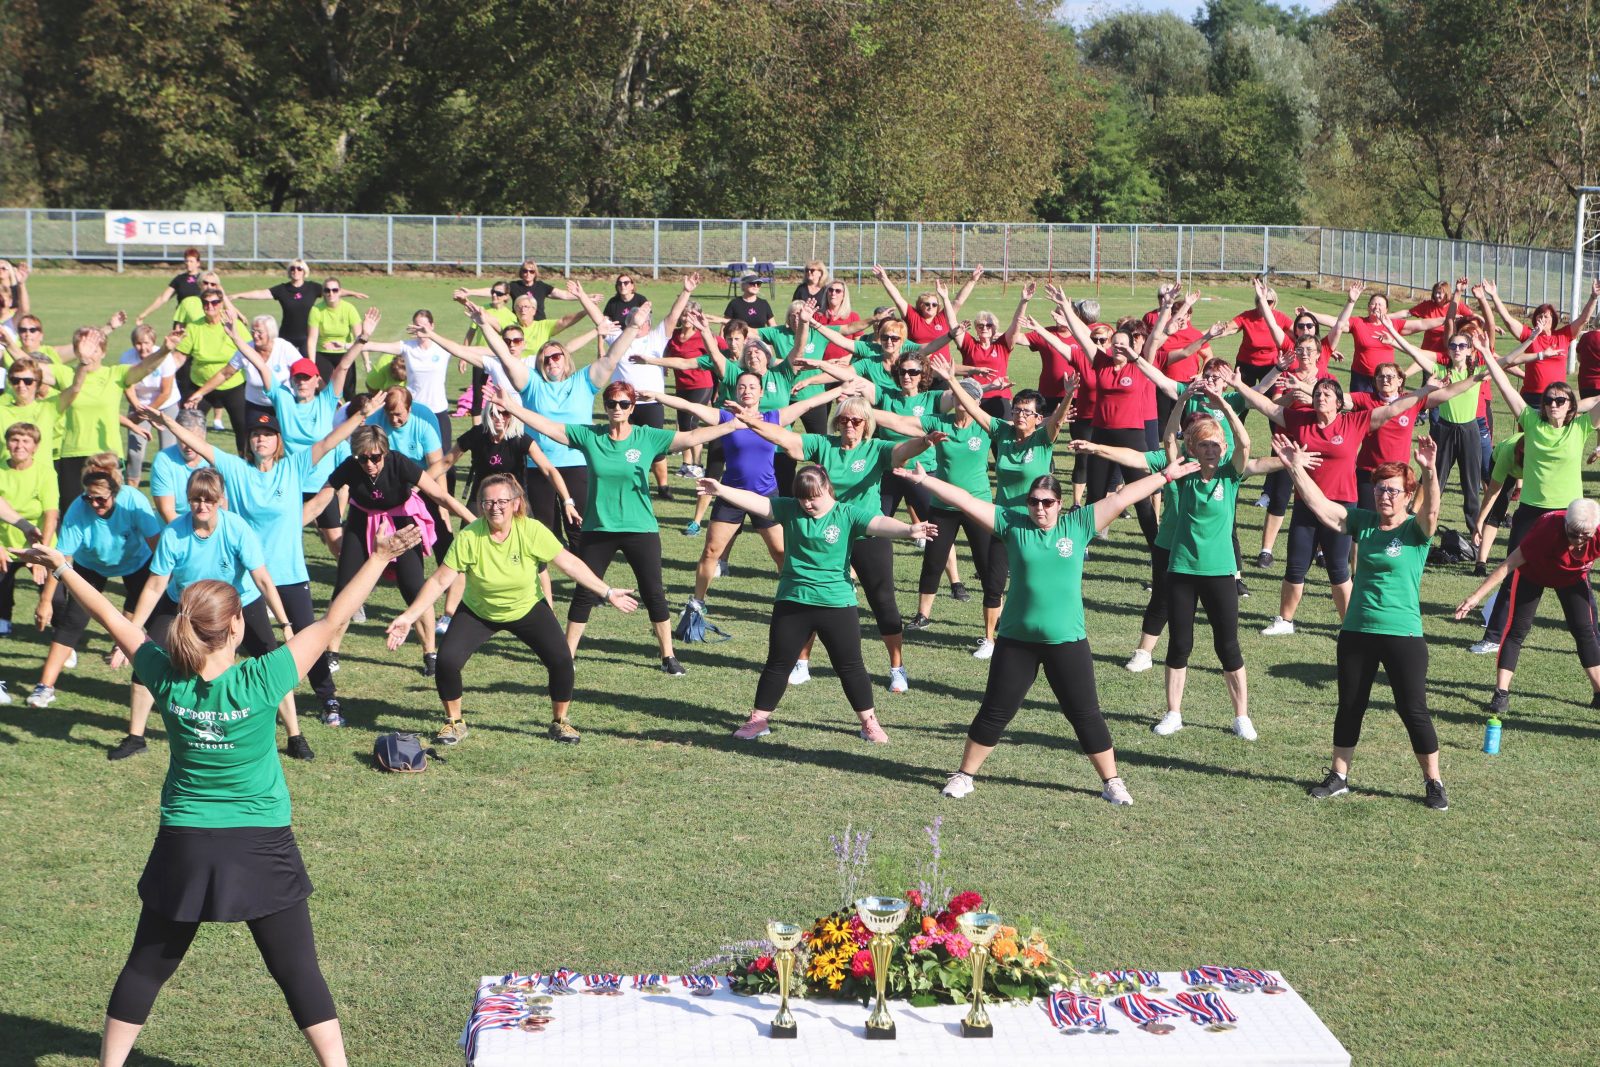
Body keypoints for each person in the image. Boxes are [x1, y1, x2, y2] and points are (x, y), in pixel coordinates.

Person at [21, 525, 421, 1067]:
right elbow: (332, 621)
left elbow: (113, 617)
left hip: (185, 842)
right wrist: (378, 557)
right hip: (261, 843)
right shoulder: (264, 677)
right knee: (297, 971)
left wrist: (64, 568)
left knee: (146, 967)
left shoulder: (165, 676)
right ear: (236, 627)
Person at [905, 459, 1188, 804]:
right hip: (1016, 642)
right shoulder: (1012, 524)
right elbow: (965, 500)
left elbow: (1122, 497)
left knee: (1085, 715)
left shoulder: (1079, 524)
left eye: (1047, 502)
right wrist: (926, 481)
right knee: (995, 711)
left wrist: (1166, 475)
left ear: (1060, 503)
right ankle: (964, 776)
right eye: (1034, 501)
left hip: (1066, 642)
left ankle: (1112, 781)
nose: (1040, 508)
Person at [142, 392, 375, 726]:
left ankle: (328, 698)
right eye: (255, 434)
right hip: (247, 579)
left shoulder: (293, 467)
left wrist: (360, 416)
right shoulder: (236, 470)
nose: (261, 438)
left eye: (267, 434)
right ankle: (218, 703)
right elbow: (199, 445)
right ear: (249, 442)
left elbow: (328, 442)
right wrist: (166, 421)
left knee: (307, 636)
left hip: (288, 574)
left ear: (278, 441)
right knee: (236, 645)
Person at [500, 380, 737, 674]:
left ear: (632, 408)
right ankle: (566, 656)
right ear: (605, 406)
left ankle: (668, 656)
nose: (617, 408)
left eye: (624, 404)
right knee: (585, 593)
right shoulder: (591, 436)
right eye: (612, 403)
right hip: (598, 529)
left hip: (641, 528)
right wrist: (511, 407)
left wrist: (730, 426)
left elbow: (691, 437)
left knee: (653, 593)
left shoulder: (646, 437)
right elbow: (549, 427)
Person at [386, 474, 639, 746]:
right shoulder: (469, 536)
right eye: (488, 502)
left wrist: (607, 591)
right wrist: (408, 617)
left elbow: (569, 564)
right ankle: (454, 723)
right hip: (479, 610)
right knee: (447, 661)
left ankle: (560, 721)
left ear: (516, 503)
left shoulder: (531, 530)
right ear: (481, 505)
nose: (495, 507)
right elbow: (439, 581)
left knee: (562, 660)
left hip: (527, 607)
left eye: (502, 501)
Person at [1276, 435, 1448, 811]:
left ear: (1408, 495)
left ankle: (1433, 782)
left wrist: (1430, 471)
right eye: (1379, 488)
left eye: (1392, 490)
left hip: (1403, 633)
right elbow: (1322, 507)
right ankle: (1339, 776)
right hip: (1356, 630)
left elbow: (1433, 511)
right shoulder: (1364, 523)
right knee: (1350, 705)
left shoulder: (1415, 531)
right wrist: (1294, 468)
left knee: (1413, 710)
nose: (1384, 495)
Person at [704, 465, 935, 743]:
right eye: (802, 498)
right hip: (793, 600)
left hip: (836, 603)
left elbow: (879, 523)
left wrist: (909, 529)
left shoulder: (846, 513)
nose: (807, 504)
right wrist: (721, 490)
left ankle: (869, 723)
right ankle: (758, 720)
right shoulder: (791, 510)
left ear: (827, 489)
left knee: (850, 666)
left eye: (813, 497)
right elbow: (757, 502)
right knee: (778, 664)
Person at [734, 393, 940, 692]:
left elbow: (902, 451)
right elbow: (786, 439)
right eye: (843, 420)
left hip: (867, 533)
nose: (849, 425)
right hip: (826, 536)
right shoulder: (823, 445)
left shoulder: (876, 448)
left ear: (866, 423)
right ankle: (802, 663)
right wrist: (751, 421)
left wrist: (924, 442)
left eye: (856, 420)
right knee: (808, 595)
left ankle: (897, 667)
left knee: (883, 600)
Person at [121, 468, 313, 759]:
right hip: (185, 604)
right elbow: (155, 585)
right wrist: (132, 630)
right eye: (196, 499)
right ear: (188, 499)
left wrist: (285, 623)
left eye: (209, 499)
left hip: (238, 601)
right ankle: (136, 737)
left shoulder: (236, 529)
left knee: (272, 662)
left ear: (221, 500)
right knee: (144, 662)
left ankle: (295, 736)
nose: (202, 506)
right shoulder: (174, 533)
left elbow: (262, 579)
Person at [1230, 368, 1420, 636]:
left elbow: (1392, 409)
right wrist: (1239, 385)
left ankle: (1350, 625)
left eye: (1327, 394)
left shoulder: (1353, 422)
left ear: (1339, 403)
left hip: (1341, 508)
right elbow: (1268, 407)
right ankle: (1285, 621)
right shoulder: (1301, 420)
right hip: (1306, 504)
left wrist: (1424, 391)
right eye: (1317, 393)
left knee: (1338, 569)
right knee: (1295, 566)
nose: (1320, 397)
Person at [436, 281, 620, 546]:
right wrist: (435, 335)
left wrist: (595, 329)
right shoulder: (497, 361)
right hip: (505, 432)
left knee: (566, 520)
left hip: (525, 435)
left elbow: (566, 347)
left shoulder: (531, 367)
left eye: (517, 340)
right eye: (508, 340)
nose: (512, 344)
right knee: (531, 513)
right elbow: (466, 350)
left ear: (524, 344)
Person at [651, 371, 851, 612]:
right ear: (736, 391)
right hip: (730, 494)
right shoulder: (726, 417)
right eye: (742, 387)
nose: (747, 391)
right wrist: (656, 395)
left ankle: (790, 601)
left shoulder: (773, 418)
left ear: (761, 392)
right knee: (711, 551)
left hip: (765, 496)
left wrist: (841, 390)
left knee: (781, 553)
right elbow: (689, 406)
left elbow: (808, 403)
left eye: (752, 387)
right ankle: (697, 602)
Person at [302, 423, 476, 674]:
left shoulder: (399, 462)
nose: (369, 464)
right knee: (344, 588)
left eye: (375, 457)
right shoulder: (350, 467)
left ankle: (430, 653)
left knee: (414, 588)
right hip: (362, 522)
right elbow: (319, 502)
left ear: (384, 452)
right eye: (363, 458)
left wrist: (475, 523)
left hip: (401, 522)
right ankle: (332, 653)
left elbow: (440, 496)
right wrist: (287, 530)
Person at [1472, 340, 1600, 654]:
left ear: (1570, 406)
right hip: (1531, 512)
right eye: (1548, 400)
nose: (1553, 404)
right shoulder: (1531, 422)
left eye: (1560, 400)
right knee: (1513, 572)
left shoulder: (1581, 427)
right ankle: (1493, 636)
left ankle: (1594, 638)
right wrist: (1486, 354)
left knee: (1579, 576)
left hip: (1569, 515)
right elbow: (1505, 387)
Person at [26, 463, 162, 748]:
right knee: (72, 621)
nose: (95, 504)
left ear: (115, 493)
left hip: (136, 562)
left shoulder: (133, 502)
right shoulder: (79, 509)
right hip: (91, 565)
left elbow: (158, 546)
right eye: (90, 498)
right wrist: (46, 600)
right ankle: (44, 687)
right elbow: (60, 559)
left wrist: (167, 582)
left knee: (155, 622)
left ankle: (160, 678)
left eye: (101, 499)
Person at [429, 394, 570, 625]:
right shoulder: (477, 435)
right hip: (481, 501)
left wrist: (567, 500)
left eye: (505, 413)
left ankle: (549, 614)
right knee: (463, 558)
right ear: (487, 414)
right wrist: (417, 485)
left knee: (539, 562)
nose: (499, 418)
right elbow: (446, 462)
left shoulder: (520, 439)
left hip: (515, 503)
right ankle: (448, 616)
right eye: (494, 413)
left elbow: (548, 469)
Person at [1456, 499, 1600, 716]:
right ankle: (1501, 694)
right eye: (1573, 533)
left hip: (1572, 578)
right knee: (1516, 631)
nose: (1579, 540)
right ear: (1566, 524)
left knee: (1585, 631)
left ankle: (1599, 693)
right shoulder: (1547, 530)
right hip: (1533, 573)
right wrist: (1476, 596)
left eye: (1585, 535)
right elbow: (1508, 565)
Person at [1482, 278, 1600, 407]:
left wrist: (1593, 297)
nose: (1542, 318)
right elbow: (1508, 320)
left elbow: (1583, 319)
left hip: (1558, 397)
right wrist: (1494, 295)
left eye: (1546, 316)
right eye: (1539, 316)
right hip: (1532, 397)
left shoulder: (1563, 335)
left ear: (1553, 320)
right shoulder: (1529, 335)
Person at [185, 313, 302, 426]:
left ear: (271, 333)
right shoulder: (246, 349)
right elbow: (225, 373)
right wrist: (200, 393)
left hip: (283, 405)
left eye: (259, 332)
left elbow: (302, 369)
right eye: (253, 331)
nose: (255, 335)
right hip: (255, 406)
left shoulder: (284, 347)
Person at [230, 260, 367, 356]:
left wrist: (353, 293)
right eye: (292, 268)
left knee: (306, 370)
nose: (296, 271)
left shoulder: (312, 287)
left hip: (307, 337)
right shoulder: (282, 289)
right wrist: (238, 295)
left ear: (304, 271)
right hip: (286, 336)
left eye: (299, 268)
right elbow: (261, 293)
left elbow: (333, 291)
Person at [173, 288, 252, 450]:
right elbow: (179, 357)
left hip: (233, 385)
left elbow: (250, 350)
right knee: (188, 427)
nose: (210, 306)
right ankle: (190, 461)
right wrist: (162, 371)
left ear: (221, 304)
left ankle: (246, 461)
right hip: (201, 386)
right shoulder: (194, 327)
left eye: (215, 302)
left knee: (243, 428)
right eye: (206, 303)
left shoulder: (233, 325)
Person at [0, 421, 59, 636]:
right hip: (5, 543)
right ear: (7, 443)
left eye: (26, 441)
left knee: (58, 594)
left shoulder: (45, 473)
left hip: (40, 543)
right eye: (14, 440)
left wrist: (42, 552)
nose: (19, 446)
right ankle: (3, 620)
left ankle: (60, 629)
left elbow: (51, 515)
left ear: (36, 446)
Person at [871, 262, 982, 361]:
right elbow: (898, 298)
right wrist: (884, 279)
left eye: (934, 304)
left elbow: (958, 301)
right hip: (917, 367)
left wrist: (972, 280)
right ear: (920, 305)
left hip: (941, 369)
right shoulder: (912, 316)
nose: (931, 307)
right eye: (927, 304)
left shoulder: (944, 317)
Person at [120, 325, 179, 486]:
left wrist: (147, 412)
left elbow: (165, 392)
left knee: (167, 450)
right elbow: (128, 386)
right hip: (139, 405)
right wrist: (137, 407)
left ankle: (167, 487)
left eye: (146, 343)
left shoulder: (165, 357)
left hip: (165, 404)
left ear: (153, 342)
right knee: (135, 451)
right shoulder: (127, 358)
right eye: (138, 343)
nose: (142, 347)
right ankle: (132, 487)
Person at [149, 409, 214, 522]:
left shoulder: (215, 459)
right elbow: (167, 512)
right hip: (175, 528)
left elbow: (223, 506)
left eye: (192, 439)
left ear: (204, 435)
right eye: (183, 439)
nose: (188, 446)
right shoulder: (163, 459)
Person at [304, 279, 364, 402]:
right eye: (327, 290)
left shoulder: (349, 309)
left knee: (349, 391)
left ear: (340, 292)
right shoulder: (316, 310)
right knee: (322, 388)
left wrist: (366, 359)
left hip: (345, 353)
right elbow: (312, 339)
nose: (331, 293)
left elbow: (361, 338)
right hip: (323, 353)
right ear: (323, 292)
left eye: (334, 290)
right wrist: (312, 364)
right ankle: (325, 411)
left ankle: (352, 413)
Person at [458, 259, 573, 320]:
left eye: (531, 271)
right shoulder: (514, 286)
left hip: (538, 324)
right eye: (525, 271)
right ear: (521, 272)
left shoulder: (542, 287)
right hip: (519, 324)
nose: (528, 273)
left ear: (535, 273)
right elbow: (494, 291)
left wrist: (582, 296)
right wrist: (470, 292)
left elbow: (565, 295)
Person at [133, 249, 205, 326]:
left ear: (198, 263)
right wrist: (144, 314)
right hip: (181, 321)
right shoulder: (179, 279)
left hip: (199, 321)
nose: (188, 264)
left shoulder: (205, 279)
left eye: (191, 261)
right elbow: (162, 298)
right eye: (186, 261)